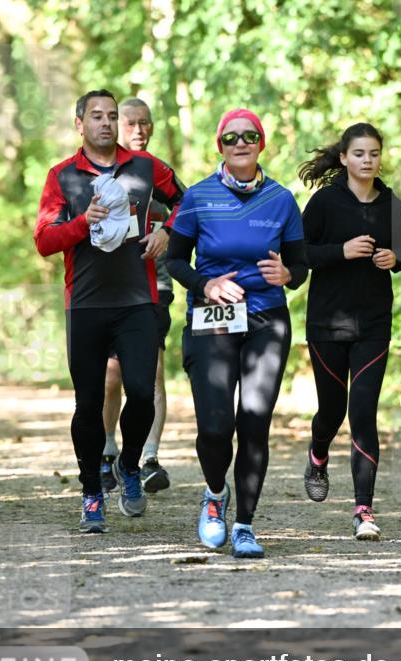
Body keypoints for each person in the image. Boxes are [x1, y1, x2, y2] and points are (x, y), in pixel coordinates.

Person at [34, 89, 184, 534]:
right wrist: (84, 222)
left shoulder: (146, 167)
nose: (106, 123)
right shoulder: (63, 176)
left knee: (141, 392)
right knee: (87, 404)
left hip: (138, 301)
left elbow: (186, 202)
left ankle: (131, 466)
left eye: (112, 116)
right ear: (79, 123)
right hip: (85, 304)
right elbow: (44, 240)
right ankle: (91, 494)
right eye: (96, 116)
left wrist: (167, 234)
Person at [166, 108, 307, 558]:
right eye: (231, 137)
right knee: (215, 425)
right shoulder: (199, 196)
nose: (241, 142)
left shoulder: (282, 199)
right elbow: (172, 261)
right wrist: (205, 283)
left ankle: (244, 523)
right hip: (212, 319)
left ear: (261, 143)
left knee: (254, 420)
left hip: (266, 318)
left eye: (250, 136)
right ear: (220, 146)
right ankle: (214, 495)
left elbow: (300, 266)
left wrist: (289, 272)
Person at [299, 123, 401, 541]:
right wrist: (341, 252)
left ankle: (363, 509)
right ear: (344, 158)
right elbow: (301, 253)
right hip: (327, 324)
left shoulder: (391, 203)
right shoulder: (325, 202)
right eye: (360, 153)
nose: (368, 160)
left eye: (374, 153)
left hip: (373, 324)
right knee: (332, 410)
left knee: (362, 412)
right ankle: (317, 454)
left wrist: (392, 259)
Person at [100, 98, 172, 495]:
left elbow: (187, 209)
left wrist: (168, 233)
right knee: (112, 377)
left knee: (152, 373)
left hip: (154, 288)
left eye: (145, 123)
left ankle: (149, 458)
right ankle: (109, 448)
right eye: (131, 123)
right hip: (109, 291)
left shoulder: (159, 173)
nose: (139, 130)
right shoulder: (103, 172)